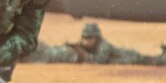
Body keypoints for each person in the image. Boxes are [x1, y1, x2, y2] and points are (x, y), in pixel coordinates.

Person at [23, 22, 153, 65]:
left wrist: (80, 51)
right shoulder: (90, 46)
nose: (87, 41)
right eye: (84, 38)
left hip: (131, 57)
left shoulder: (104, 47)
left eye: (90, 38)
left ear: (97, 38)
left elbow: (97, 62)